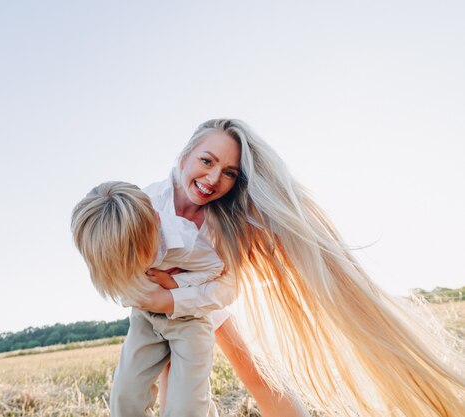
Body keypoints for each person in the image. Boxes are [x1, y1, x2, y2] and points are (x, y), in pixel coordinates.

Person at [134, 119, 464, 417]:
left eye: (230, 172)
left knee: (255, 373)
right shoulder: (149, 200)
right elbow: (122, 256)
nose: (212, 178)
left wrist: (177, 291)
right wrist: (156, 288)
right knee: (172, 386)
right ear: (186, 154)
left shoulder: (223, 218)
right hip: (160, 302)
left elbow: (226, 284)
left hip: (204, 293)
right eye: (206, 161)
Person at [71, 181, 227, 417]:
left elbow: (215, 268)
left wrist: (175, 285)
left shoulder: (188, 242)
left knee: (187, 407)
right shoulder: (109, 248)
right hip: (145, 318)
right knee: (125, 397)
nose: (138, 265)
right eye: (126, 261)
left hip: (189, 320)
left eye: (143, 253)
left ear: (156, 219)